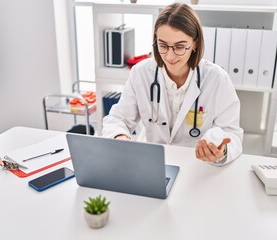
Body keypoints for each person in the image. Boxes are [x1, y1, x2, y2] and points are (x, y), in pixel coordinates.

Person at [102, 3, 243, 166]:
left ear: (195, 43)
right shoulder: (141, 73)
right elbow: (117, 119)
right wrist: (120, 137)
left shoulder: (217, 79)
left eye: (180, 47)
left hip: (197, 168)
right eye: (162, 45)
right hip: (154, 164)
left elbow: (232, 135)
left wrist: (221, 151)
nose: (170, 55)